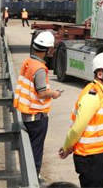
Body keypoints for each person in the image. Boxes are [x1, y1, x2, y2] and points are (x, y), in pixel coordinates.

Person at [58, 52, 103, 188]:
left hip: (99, 153)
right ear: (100, 74)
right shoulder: (92, 96)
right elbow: (77, 128)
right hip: (91, 157)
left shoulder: (101, 92)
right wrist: (67, 146)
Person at [13, 31, 62, 178]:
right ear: (47, 50)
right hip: (36, 117)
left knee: (31, 147)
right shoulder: (39, 69)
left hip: (27, 113)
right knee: (36, 148)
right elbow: (41, 93)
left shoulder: (28, 62)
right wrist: (54, 94)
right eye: (51, 48)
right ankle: (34, 177)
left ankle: (30, 174)